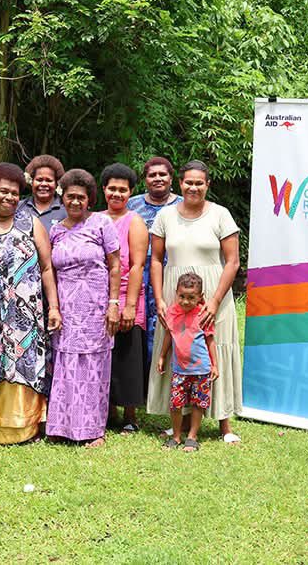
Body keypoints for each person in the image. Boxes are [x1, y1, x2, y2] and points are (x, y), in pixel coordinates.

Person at [147, 160, 242, 443]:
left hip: (215, 292)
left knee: (217, 346)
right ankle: (180, 418)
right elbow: (155, 260)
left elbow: (233, 261)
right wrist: (160, 299)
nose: (193, 187)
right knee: (179, 349)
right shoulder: (165, 216)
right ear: (180, 183)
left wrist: (213, 302)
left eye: (199, 182)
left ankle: (225, 424)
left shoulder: (220, 215)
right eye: (189, 182)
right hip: (175, 294)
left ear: (207, 185)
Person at [0, 163, 62, 444]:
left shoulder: (29, 222)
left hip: (26, 312)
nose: (9, 197)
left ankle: (27, 424)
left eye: (14, 193)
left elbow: (47, 267)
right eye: (3, 191)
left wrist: (54, 306)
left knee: (24, 363)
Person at [47, 168, 121, 447]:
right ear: (62, 198)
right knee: (65, 363)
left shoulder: (101, 224)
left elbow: (115, 265)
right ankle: (62, 426)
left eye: (80, 197)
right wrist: (54, 307)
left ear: (89, 199)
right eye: (69, 197)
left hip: (96, 307)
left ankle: (92, 431)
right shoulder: (55, 230)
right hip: (66, 308)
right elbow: (50, 272)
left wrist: (114, 304)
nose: (75, 202)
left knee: (93, 365)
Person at [100, 163, 149, 432]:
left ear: (130, 192)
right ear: (104, 189)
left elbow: (137, 265)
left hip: (129, 296)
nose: (117, 194)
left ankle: (130, 414)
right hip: (101, 297)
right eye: (112, 189)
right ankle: (106, 410)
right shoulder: (94, 218)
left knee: (128, 356)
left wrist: (129, 306)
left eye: (123, 189)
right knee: (104, 355)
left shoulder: (135, 221)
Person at [157, 272, 219, 452]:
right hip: (179, 369)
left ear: (200, 296)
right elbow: (168, 335)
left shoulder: (203, 314)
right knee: (176, 404)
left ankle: (192, 436)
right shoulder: (171, 313)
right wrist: (162, 355)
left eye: (191, 297)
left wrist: (214, 365)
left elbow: (210, 340)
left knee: (198, 404)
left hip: (201, 369)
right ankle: (176, 436)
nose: (185, 301)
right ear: (176, 293)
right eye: (182, 296)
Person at [128, 157, 182, 357]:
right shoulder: (132, 205)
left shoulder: (182, 205)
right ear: (145, 180)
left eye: (162, 174)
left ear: (171, 178)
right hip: (138, 278)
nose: (157, 178)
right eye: (152, 175)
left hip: (172, 276)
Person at [19, 155, 67, 231]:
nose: (44, 184)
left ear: (56, 184)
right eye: (39, 180)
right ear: (32, 181)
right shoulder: (18, 207)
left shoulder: (66, 211)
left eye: (49, 180)